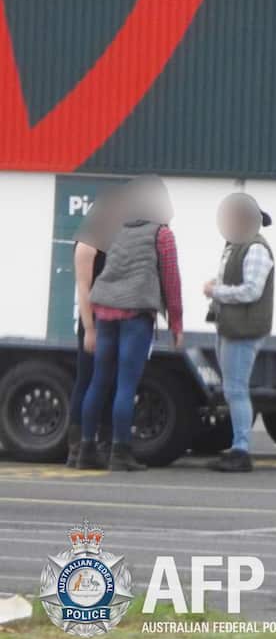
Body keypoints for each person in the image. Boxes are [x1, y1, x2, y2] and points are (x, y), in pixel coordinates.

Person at [77, 175, 183, 472]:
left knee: (99, 381)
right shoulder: (161, 234)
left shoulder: (115, 228)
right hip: (136, 313)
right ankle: (120, 452)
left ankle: (85, 449)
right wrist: (177, 324)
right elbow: (171, 281)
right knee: (126, 384)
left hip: (105, 308)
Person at [203, 193, 275, 473]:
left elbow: (251, 291)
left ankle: (241, 449)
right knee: (233, 389)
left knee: (236, 389)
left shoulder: (255, 249)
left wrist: (216, 291)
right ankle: (237, 446)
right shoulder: (236, 246)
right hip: (232, 325)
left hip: (243, 328)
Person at [65, 184, 126, 468]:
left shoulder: (112, 240)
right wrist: (90, 329)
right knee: (87, 380)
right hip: (94, 322)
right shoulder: (88, 242)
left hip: (113, 320)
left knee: (109, 383)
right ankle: (77, 448)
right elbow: (83, 287)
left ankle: (102, 442)